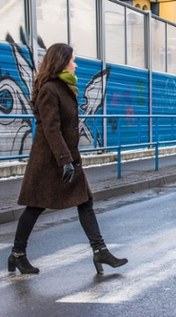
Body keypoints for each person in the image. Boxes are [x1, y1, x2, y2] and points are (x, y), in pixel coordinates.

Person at [8, 43, 128, 275]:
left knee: (85, 202)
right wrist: (65, 160)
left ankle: (100, 250)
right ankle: (17, 254)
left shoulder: (64, 87)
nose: (76, 64)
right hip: (49, 161)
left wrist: (69, 159)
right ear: (62, 61)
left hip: (66, 158)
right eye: (73, 59)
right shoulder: (49, 90)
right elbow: (51, 129)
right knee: (35, 207)